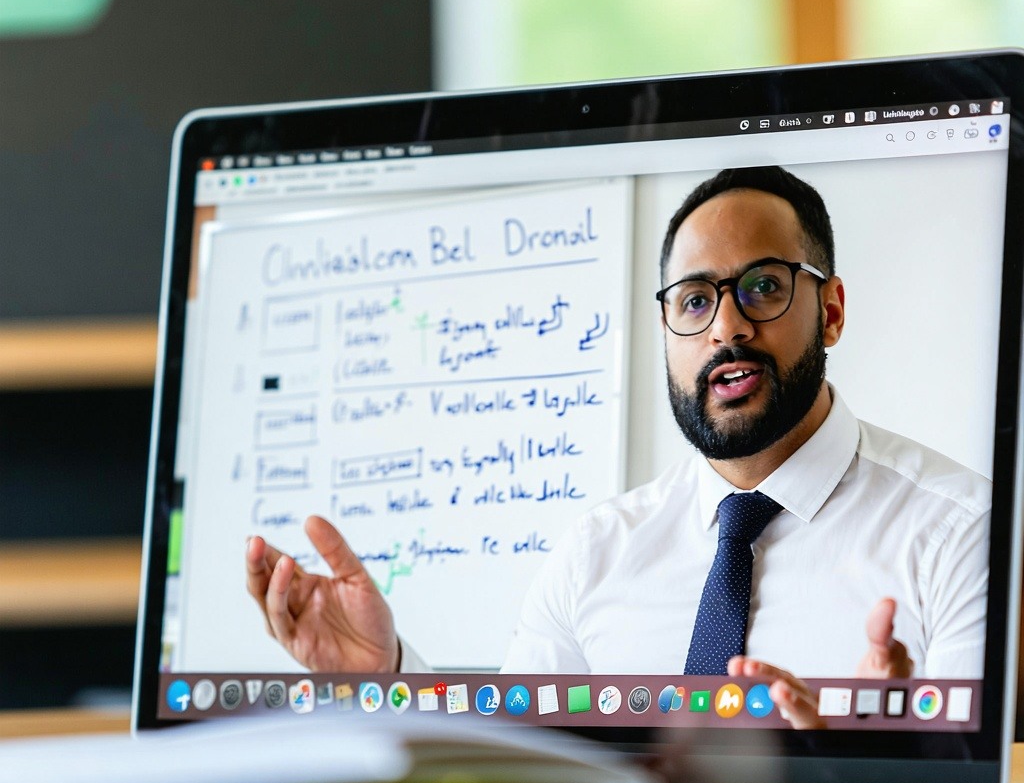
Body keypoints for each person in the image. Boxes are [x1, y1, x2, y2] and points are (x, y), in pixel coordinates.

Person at [246, 166, 990, 729]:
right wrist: (387, 677)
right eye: (695, 301)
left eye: (762, 287)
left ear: (829, 312)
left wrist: (882, 764)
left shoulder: (963, 532)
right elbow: (515, 771)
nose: (726, 327)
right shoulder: (596, 552)